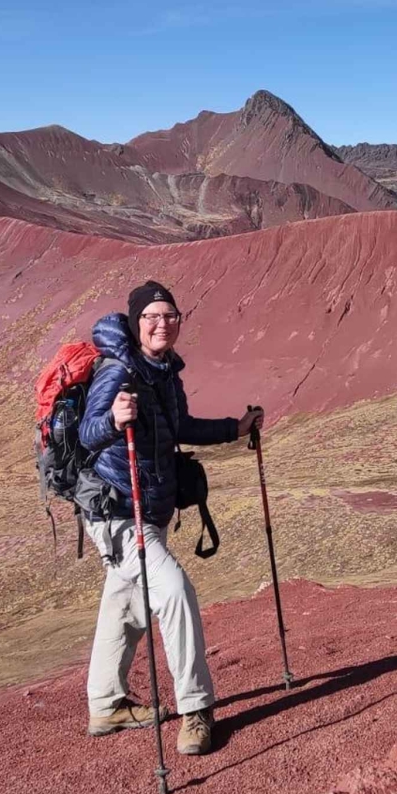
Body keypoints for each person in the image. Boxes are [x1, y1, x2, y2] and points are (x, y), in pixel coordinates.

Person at [76, 280, 263, 755]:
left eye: (171, 316)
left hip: (149, 508)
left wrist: (235, 429)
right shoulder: (118, 372)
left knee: (125, 604)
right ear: (136, 323)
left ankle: (106, 705)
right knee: (174, 591)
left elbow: (180, 426)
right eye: (152, 317)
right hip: (118, 511)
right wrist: (114, 420)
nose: (162, 324)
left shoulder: (163, 371)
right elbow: (86, 436)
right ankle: (196, 707)